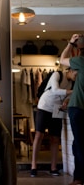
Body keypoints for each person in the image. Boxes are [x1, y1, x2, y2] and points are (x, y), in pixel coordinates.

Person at [30, 67, 77, 177]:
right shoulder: (57, 74)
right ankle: (33, 166)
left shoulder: (72, 83)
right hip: (44, 105)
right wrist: (73, 91)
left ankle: (53, 167)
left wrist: (66, 101)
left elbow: (68, 96)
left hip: (57, 108)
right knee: (39, 135)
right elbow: (55, 90)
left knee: (55, 138)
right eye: (76, 72)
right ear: (70, 70)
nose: (77, 75)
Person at [60, 33, 84, 185]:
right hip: (78, 107)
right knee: (78, 144)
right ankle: (78, 178)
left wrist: (70, 43)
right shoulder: (80, 64)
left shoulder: (80, 61)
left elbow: (62, 59)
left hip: (77, 109)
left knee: (80, 145)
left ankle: (79, 179)